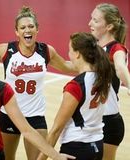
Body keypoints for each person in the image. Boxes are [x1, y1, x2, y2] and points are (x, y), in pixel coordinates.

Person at [0, 6, 76, 160]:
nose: (27, 30)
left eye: (31, 26)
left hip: (35, 115)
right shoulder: (5, 50)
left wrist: (92, 65)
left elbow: (67, 67)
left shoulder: (46, 51)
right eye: (23, 27)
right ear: (17, 32)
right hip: (9, 114)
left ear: (37, 29)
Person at [38, 32, 113, 160]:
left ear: (78, 53)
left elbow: (56, 129)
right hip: (98, 145)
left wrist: (41, 158)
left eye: (70, 50)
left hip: (76, 147)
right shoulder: (104, 77)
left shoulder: (76, 86)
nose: (69, 55)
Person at [88, 3, 130, 160]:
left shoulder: (116, 49)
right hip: (90, 119)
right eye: (91, 18)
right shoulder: (92, 46)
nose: (89, 23)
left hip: (108, 122)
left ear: (109, 26)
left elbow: (120, 67)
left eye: (95, 20)